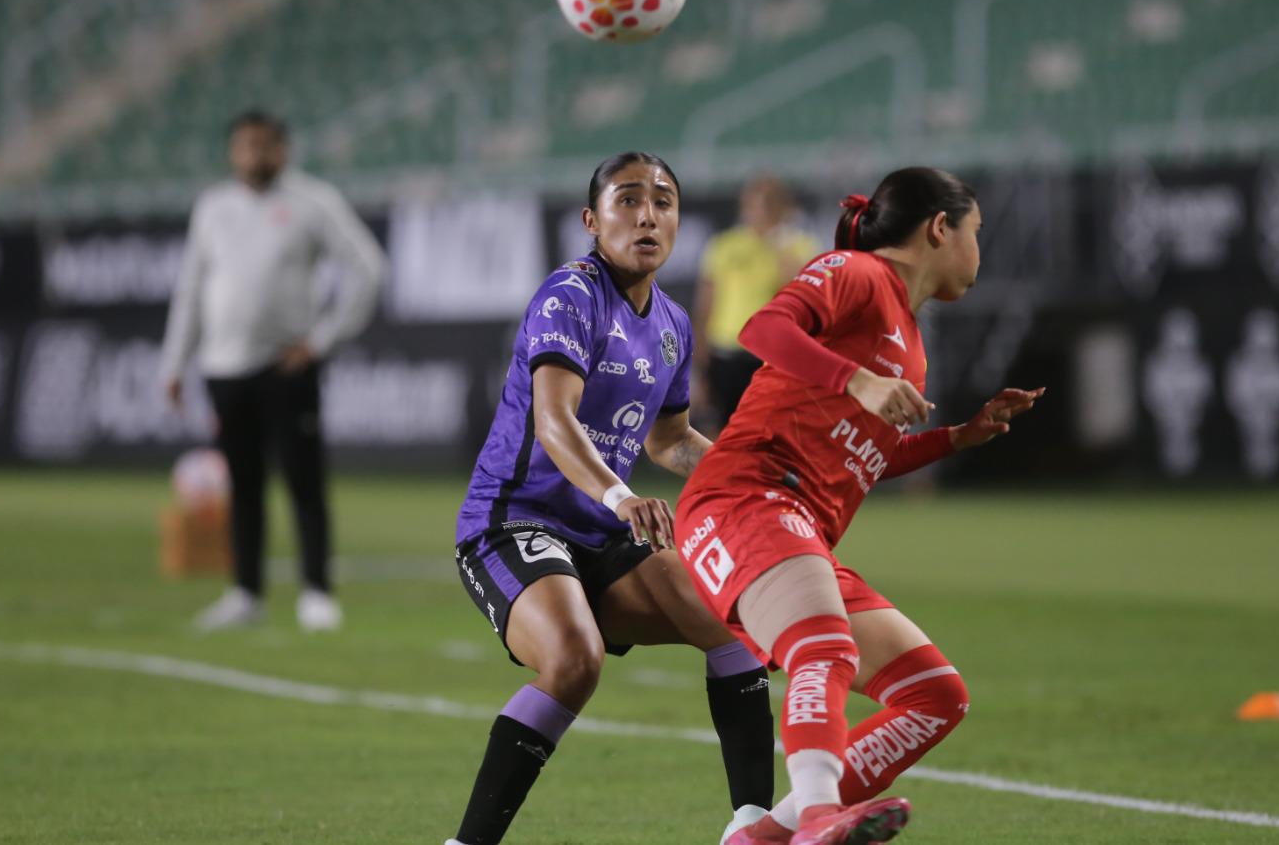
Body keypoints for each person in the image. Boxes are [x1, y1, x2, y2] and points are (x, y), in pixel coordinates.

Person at [674, 167, 1044, 845]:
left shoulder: (909, 338)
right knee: (825, 647)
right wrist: (857, 379)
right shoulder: (856, 272)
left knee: (935, 695)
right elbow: (763, 328)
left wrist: (958, 437)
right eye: (976, 233)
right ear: (940, 228)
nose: (979, 251)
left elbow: (864, 459)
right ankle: (818, 820)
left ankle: (765, 837)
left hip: (798, 526)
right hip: (745, 497)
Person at [447, 152, 777, 845]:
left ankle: (754, 825)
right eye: (628, 200)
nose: (648, 214)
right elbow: (553, 422)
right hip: (514, 522)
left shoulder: (673, 325)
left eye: (663, 200)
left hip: (599, 535)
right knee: (575, 661)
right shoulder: (570, 294)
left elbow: (672, 439)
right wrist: (623, 497)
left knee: (734, 618)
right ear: (593, 221)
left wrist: (753, 485)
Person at [161, 109, 386, 633]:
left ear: (283, 150)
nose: (255, 156)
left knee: (304, 481)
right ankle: (245, 592)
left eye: (265, 146)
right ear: (232, 152)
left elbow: (368, 268)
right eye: (246, 146)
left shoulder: (312, 202)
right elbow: (191, 289)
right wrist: (174, 362)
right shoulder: (214, 207)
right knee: (242, 485)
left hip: (285, 366)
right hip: (224, 367)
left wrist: (322, 341)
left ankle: (317, 592)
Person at [694, 176, 819, 431]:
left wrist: (778, 243)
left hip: (772, 355)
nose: (759, 211)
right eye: (753, 204)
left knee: (772, 431)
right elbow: (706, 302)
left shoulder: (798, 246)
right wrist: (700, 361)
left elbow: (805, 296)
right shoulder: (725, 245)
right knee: (725, 431)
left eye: (768, 204)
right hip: (726, 352)